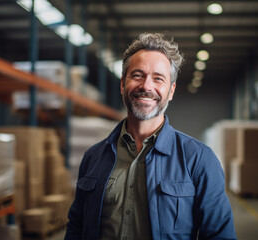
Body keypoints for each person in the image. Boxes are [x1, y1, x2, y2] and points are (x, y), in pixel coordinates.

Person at [65, 33, 237, 240]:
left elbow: (219, 235)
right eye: (137, 75)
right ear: (122, 84)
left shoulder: (199, 159)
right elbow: (76, 227)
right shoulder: (93, 157)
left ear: (171, 91)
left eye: (158, 78)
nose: (146, 86)